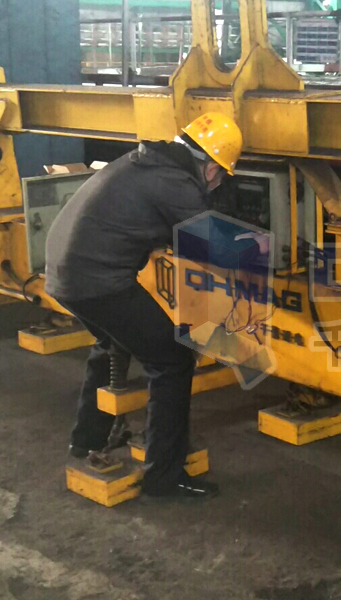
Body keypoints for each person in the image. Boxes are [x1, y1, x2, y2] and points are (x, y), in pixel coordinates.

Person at [45, 113, 245, 500]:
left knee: (111, 340)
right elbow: (214, 249)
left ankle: (86, 440)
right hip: (97, 281)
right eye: (222, 176)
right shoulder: (177, 183)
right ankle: (164, 478)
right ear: (211, 169)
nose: (219, 184)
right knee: (173, 359)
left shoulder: (145, 161)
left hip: (65, 273)